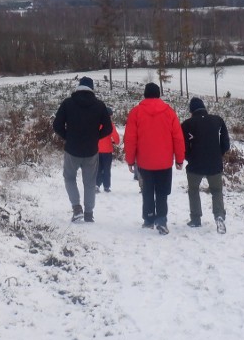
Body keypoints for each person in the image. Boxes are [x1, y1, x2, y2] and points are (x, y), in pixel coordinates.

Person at [123, 82, 185, 235]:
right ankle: (162, 220)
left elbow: (130, 138)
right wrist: (179, 159)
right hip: (164, 162)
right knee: (162, 192)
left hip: (144, 162)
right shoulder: (169, 112)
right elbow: (178, 137)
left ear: (144, 94)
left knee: (147, 191)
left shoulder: (136, 112)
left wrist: (130, 160)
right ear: (159, 95)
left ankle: (149, 219)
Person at [53, 76, 113, 223]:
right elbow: (108, 128)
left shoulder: (68, 103)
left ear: (78, 86)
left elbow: (56, 125)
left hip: (72, 149)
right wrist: (96, 137)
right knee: (90, 182)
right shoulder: (99, 105)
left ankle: (76, 208)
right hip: (91, 150)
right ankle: (88, 213)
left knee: (69, 178)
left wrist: (68, 136)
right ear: (92, 89)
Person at [181, 97, 230, 234]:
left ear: (191, 110)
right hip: (214, 163)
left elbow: (183, 145)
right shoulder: (218, 120)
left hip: (195, 164)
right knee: (216, 191)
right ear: (204, 108)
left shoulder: (187, 124)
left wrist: (189, 157)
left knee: (193, 190)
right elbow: (225, 142)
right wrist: (219, 153)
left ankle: (196, 218)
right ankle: (219, 215)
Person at [96, 107, 120, 193]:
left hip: (96, 150)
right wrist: (114, 141)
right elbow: (116, 139)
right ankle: (106, 186)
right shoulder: (110, 124)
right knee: (106, 169)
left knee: (98, 168)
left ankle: (96, 185)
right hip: (107, 150)